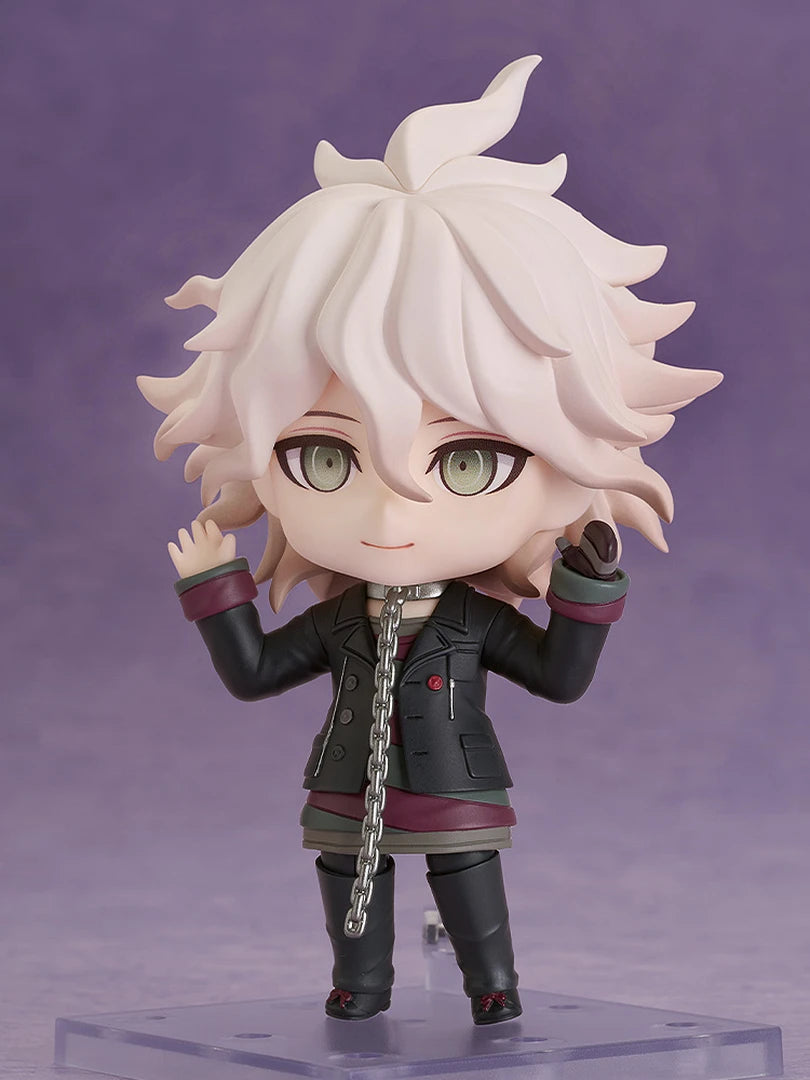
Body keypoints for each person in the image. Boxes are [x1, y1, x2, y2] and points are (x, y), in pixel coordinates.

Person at [138, 55, 721, 1024]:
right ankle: (360, 985)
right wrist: (215, 587)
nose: (391, 515)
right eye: (327, 459)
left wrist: (585, 584)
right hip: (344, 790)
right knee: (349, 885)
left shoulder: (470, 620)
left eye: (468, 463)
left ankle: (493, 986)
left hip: (456, 790)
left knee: (467, 878)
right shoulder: (339, 624)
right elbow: (254, 673)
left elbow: (560, 678)